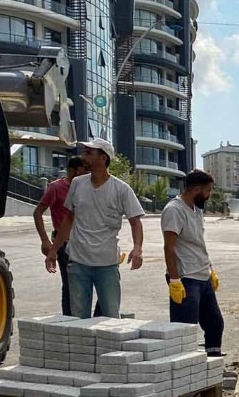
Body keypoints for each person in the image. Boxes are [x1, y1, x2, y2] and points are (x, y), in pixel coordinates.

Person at [46, 138, 144, 319]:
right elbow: (68, 219)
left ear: (103, 158)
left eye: (89, 153)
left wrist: (137, 248)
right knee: (79, 319)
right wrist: (53, 250)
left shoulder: (121, 189)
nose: (83, 156)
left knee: (111, 317)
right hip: (77, 262)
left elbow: (135, 221)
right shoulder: (77, 184)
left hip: (106, 264)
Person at [162, 169, 224, 357]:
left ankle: (212, 364)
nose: (209, 195)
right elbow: (169, 248)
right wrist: (174, 281)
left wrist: (210, 269)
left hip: (202, 276)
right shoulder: (174, 210)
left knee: (215, 324)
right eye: (208, 191)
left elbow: (199, 243)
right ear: (196, 189)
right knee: (185, 330)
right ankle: (184, 368)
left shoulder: (196, 210)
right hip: (185, 279)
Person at [34, 155, 87, 315]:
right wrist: (44, 240)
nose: (87, 173)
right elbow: (38, 212)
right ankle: (69, 319)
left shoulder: (86, 187)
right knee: (70, 283)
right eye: (83, 170)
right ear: (72, 170)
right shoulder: (56, 188)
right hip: (64, 243)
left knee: (89, 282)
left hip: (84, 241)